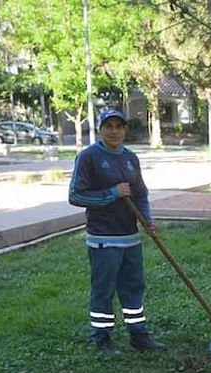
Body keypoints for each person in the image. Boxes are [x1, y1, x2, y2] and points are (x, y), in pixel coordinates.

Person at [68, 108, 165, 355]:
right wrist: (111, 194)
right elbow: (75, 195)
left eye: (118, 126)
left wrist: (147, 219)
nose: (114, 131)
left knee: (134, 287)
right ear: (100, 129)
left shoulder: (131, 158)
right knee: (104, 289)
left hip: (130, 237)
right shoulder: (88, 157)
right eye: (108, 126)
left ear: (124, 130)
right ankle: (102, 338)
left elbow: (140, 194)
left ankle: (138, 334)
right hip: (103, 238)